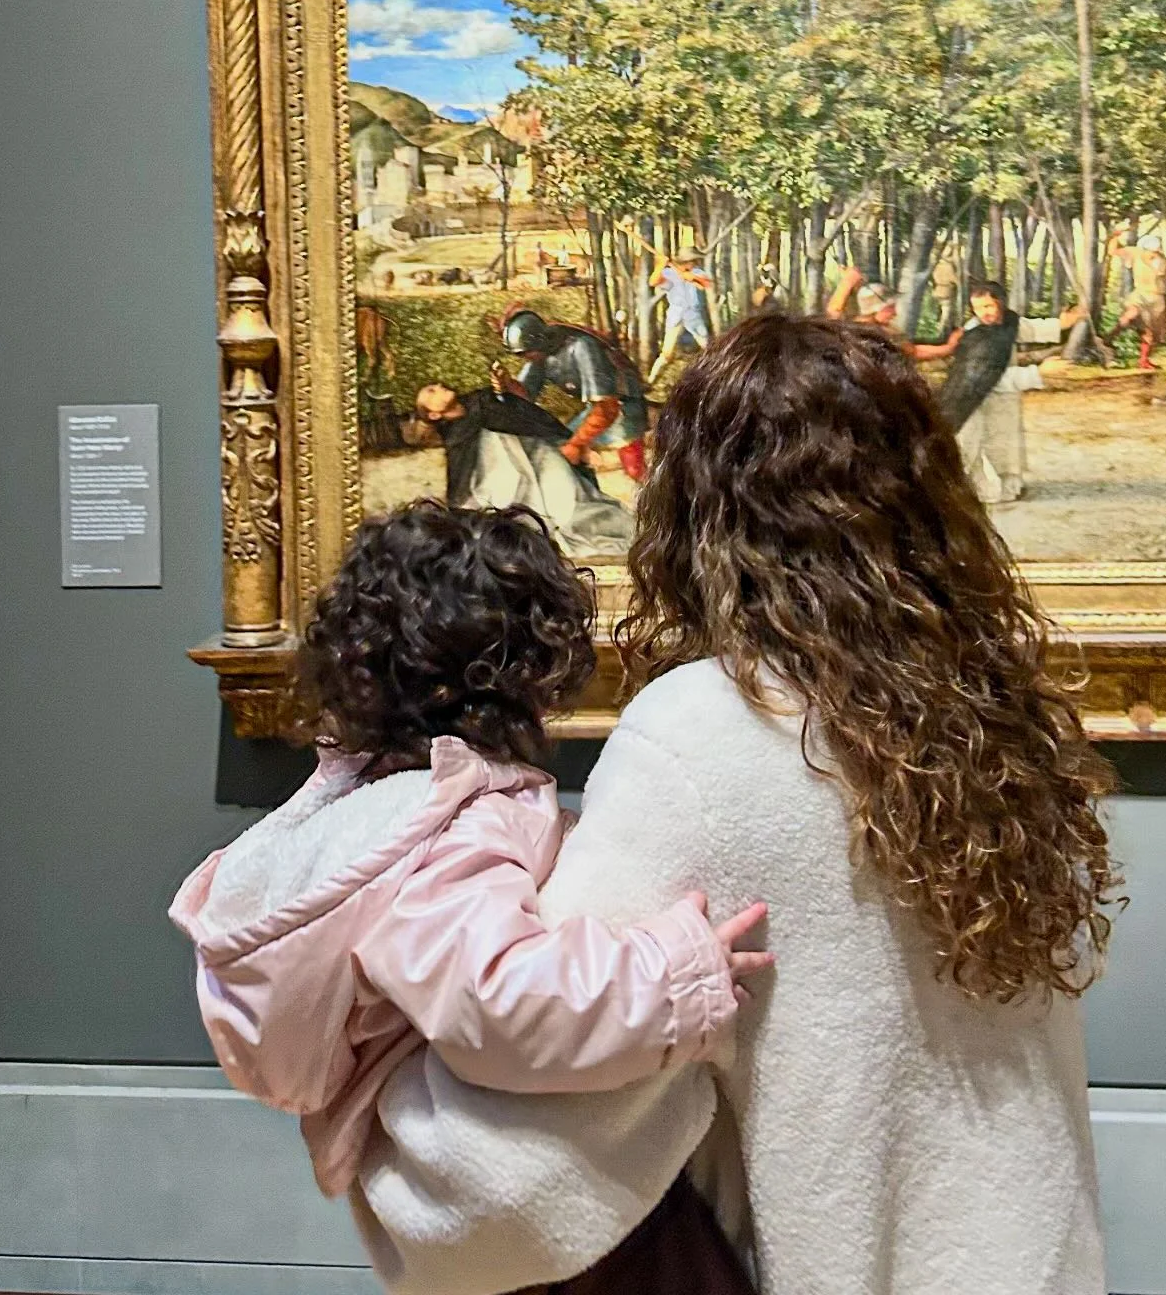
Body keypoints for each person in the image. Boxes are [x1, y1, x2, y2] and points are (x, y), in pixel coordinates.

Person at [340, 314, 1116, 1295]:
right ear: (925, 492)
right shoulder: (997, 706)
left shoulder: (706, 729)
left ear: (694, 505)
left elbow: (528, 1130)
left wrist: (375, 1117)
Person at [170, 502, 772, 1236]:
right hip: (505, 1180)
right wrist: (676, 975)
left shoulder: (376, 799)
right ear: (530, 665)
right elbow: (496, 998)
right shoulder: (463, 820)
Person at [414, 380, 635, 557]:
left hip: (541, 458)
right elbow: (462, 484)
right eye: (431, 392)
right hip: (512, 488)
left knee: (575, 506)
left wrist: (506, 388)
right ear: (434, 415)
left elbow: (531, 419)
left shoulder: (483, 399)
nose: (440, 387)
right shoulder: (457, 439)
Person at [916, 280, 1084, 506]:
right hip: (970, 402)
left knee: (1007, 445)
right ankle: (970, 493)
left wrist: (1063, 324)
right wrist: (1039, 372)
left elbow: (1031, 328)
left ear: (1000, 303)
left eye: (988, 306)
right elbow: (989, 379)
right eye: (978, 308)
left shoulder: (1009, 323)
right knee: (970, 446)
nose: (984, 313)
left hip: (1004, 400)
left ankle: (1008, 488)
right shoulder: (977, 336)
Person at [497, 305, 650, 482]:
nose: (524, 358)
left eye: (526, 353)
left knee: (634, 470)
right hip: (600, 409)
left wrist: (576, 444)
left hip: (625, 407)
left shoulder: (582, 347)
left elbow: (608, 408)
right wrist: (507, 384)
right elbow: (525, 397)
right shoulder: (540, 357)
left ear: (538, 343)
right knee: (560, 446)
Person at [1104, 229, 1166, 371]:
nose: (1154, 252)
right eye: (1152, 250)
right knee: (1131, 314)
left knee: (1149, 333)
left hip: (1158, 300)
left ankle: (1144, 361)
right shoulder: (1135, 253)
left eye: (1156, 250)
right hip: (1141, 295)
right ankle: (1109, 338)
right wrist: (1115, 236)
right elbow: (1113, 251)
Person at [647, 249, 713, 387]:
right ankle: (650, 381)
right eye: (690, 261)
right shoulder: (670, 273)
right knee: (667, 354)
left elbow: (706, 284)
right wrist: (661, 265)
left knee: (708, 348)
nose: (693, 263)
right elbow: (653, 282)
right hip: (676, 315)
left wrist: (690, 277)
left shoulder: (698, 273)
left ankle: (716, 376)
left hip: (694, 316)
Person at [825, 260, 899, 329]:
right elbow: (833, 314)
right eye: (889, 307)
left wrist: (849, 281)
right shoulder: (857, 330)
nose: (894, 312)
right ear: (874, 310)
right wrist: (848, 282)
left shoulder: (888, 330)